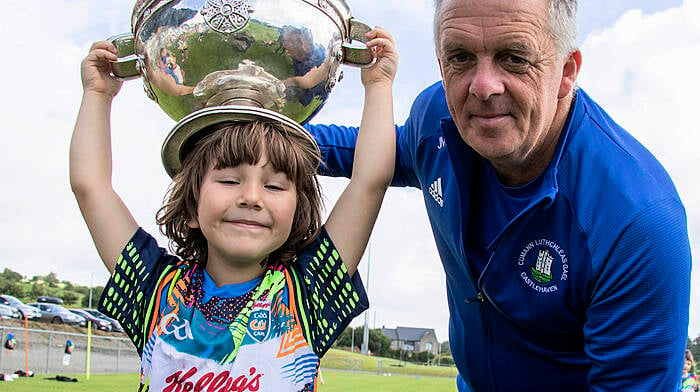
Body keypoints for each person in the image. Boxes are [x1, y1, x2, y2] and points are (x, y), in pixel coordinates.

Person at [305, 0, 692, 390]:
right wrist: (271, 135)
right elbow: (378, 151)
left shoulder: (636, 219)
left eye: (514, 58)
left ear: (566, 72)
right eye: (461, 57)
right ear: (441, 64)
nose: (483, 86)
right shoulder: (436, 121)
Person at [70, 27, 397, 391]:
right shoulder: (157, 291)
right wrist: (98, 94)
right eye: (229, 181)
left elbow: (369, 183)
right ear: (191, 206)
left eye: (274, 186)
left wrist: (379, 85)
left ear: (297, 213)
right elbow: (91, 188)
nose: (252, 197)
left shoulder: (306, 293)